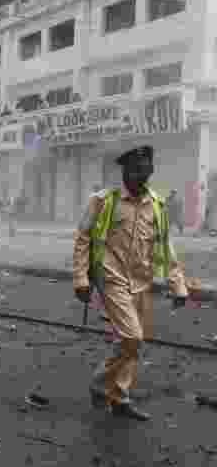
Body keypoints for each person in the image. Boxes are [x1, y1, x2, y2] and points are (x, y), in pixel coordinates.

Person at [73, 146, 187, 421]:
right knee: (132, 336)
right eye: (135, 170)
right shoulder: (103, 201)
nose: (140, 176)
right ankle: (100, 385)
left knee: (133, 344)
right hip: (111, 278)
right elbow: (83, 238)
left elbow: (164, 247)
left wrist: (178, 284)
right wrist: (80, 277)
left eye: (145, 170)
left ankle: (119, 397)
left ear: (150, 172)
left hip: (141, 282)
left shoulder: (157, 205)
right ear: (124, 171)